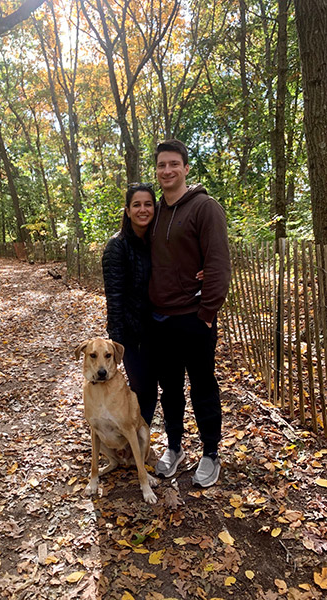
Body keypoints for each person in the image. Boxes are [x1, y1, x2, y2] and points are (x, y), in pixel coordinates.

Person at [149, 139, 231, 487]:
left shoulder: (204, 208)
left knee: (202, 386)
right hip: (160, 319)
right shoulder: (154, 212)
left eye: (173, 164)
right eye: (161, 165)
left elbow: (218, 263)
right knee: (169, 389)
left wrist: (208, 311)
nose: (167, 171)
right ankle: (175, 447)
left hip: (194, 318)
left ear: (185, 168)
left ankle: (210, 453)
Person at [102, 183, 158, 426]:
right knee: (141, 389)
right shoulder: (117, 246)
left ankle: (141, 440)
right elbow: (114, 298)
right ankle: (134, 441)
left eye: (148, 204)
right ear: (127, 210)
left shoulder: (158, 241)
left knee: (154, 389)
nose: (142, 210)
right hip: (133, 335)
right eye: (137, 205)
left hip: (161, 328)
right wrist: (116, 342)